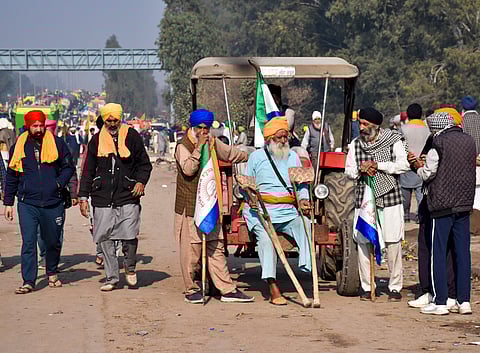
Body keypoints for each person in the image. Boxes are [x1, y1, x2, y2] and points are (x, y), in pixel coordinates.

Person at [174, 108, 254, 304]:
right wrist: (198, 149)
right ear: (193, 128)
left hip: (211, 205)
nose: (204, 131)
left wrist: (255, 156)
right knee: (192, 251)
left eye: (207, 128)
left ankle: (227, 289)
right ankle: (191, 288)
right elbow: (189, 169)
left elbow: (230, 154)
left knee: (216, 247)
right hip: (190, 207)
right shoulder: (182, 147)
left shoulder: (211, 142)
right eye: (200, 128)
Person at [78, 103, 152, 291]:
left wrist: (140, 182)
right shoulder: (96, 141)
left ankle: (130, 267)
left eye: (115, 120)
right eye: (108, 120)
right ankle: (111, 277)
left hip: (128, 194)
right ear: (104, 120)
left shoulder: (132, 137)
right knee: (105, 238)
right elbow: (87, 170)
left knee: (129, 235)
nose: (111, 123)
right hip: (102, 196)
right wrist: (83, 197)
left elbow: (144, 165)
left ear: (120, 119)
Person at [242, 117, 312, 305]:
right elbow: (246, 185)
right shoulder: (256, 157)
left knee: (306, 225)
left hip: (288, 211)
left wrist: (304, 199)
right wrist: (251, 197)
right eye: (280, 137)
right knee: (265, 240)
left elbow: (301, 184)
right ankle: (273, 286)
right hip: (260, 212)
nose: (283, 141)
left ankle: (306, 267)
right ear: (269, 138)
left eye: (286, 137)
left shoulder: (293, 156)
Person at [3, 110, 74, 294]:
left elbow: (68, 168)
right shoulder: (18, 147)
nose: (39, 129)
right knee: (28, 242)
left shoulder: (58, 144)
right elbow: (12, 176)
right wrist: (8, 203)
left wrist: (58, 183)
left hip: (53, 201)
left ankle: (51, 271)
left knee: (52, 241)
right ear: (28, 126)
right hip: (27, 203)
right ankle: (29, 281)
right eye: (34, 126)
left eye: (41, 125)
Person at [412, 112, 475, 315]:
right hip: (464, 204)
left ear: (436, 128)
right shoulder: (469, 141)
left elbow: (429, 173)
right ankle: (464, 301)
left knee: (438, 252)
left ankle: (440, 301)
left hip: (442, 205)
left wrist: (417, 167)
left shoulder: (438, 143)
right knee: (462, 253)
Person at [345, 107, 410, 301]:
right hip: (364, 198)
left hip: (390, 197)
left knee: (393, 243)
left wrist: (379, 166)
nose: (362, 127)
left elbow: (404, 165)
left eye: (365, 124)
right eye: (360, 123)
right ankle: (367, 287)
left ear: (375, 126)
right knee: (364, 242)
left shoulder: (393, 140)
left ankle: (395, 287)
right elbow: (348, 170)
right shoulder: (355, 145)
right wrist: (360, 169)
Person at [37, 120, 79, 268]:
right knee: (40, 230)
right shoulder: (31, 145)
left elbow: (70, 169)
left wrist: (73, 193)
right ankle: (44, 256)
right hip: (36, 196)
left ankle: (53, 258)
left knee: (56, 229)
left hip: (58, 195)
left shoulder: (60, 145)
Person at [399, 103, 431, 223]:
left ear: (407, 115)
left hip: (407, 165)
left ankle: (405, 215)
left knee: (405, 193)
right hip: (422, 164)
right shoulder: (427, 129)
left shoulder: (403, 129)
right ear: (421, 114)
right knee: (420, 192)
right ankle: (420, 215)